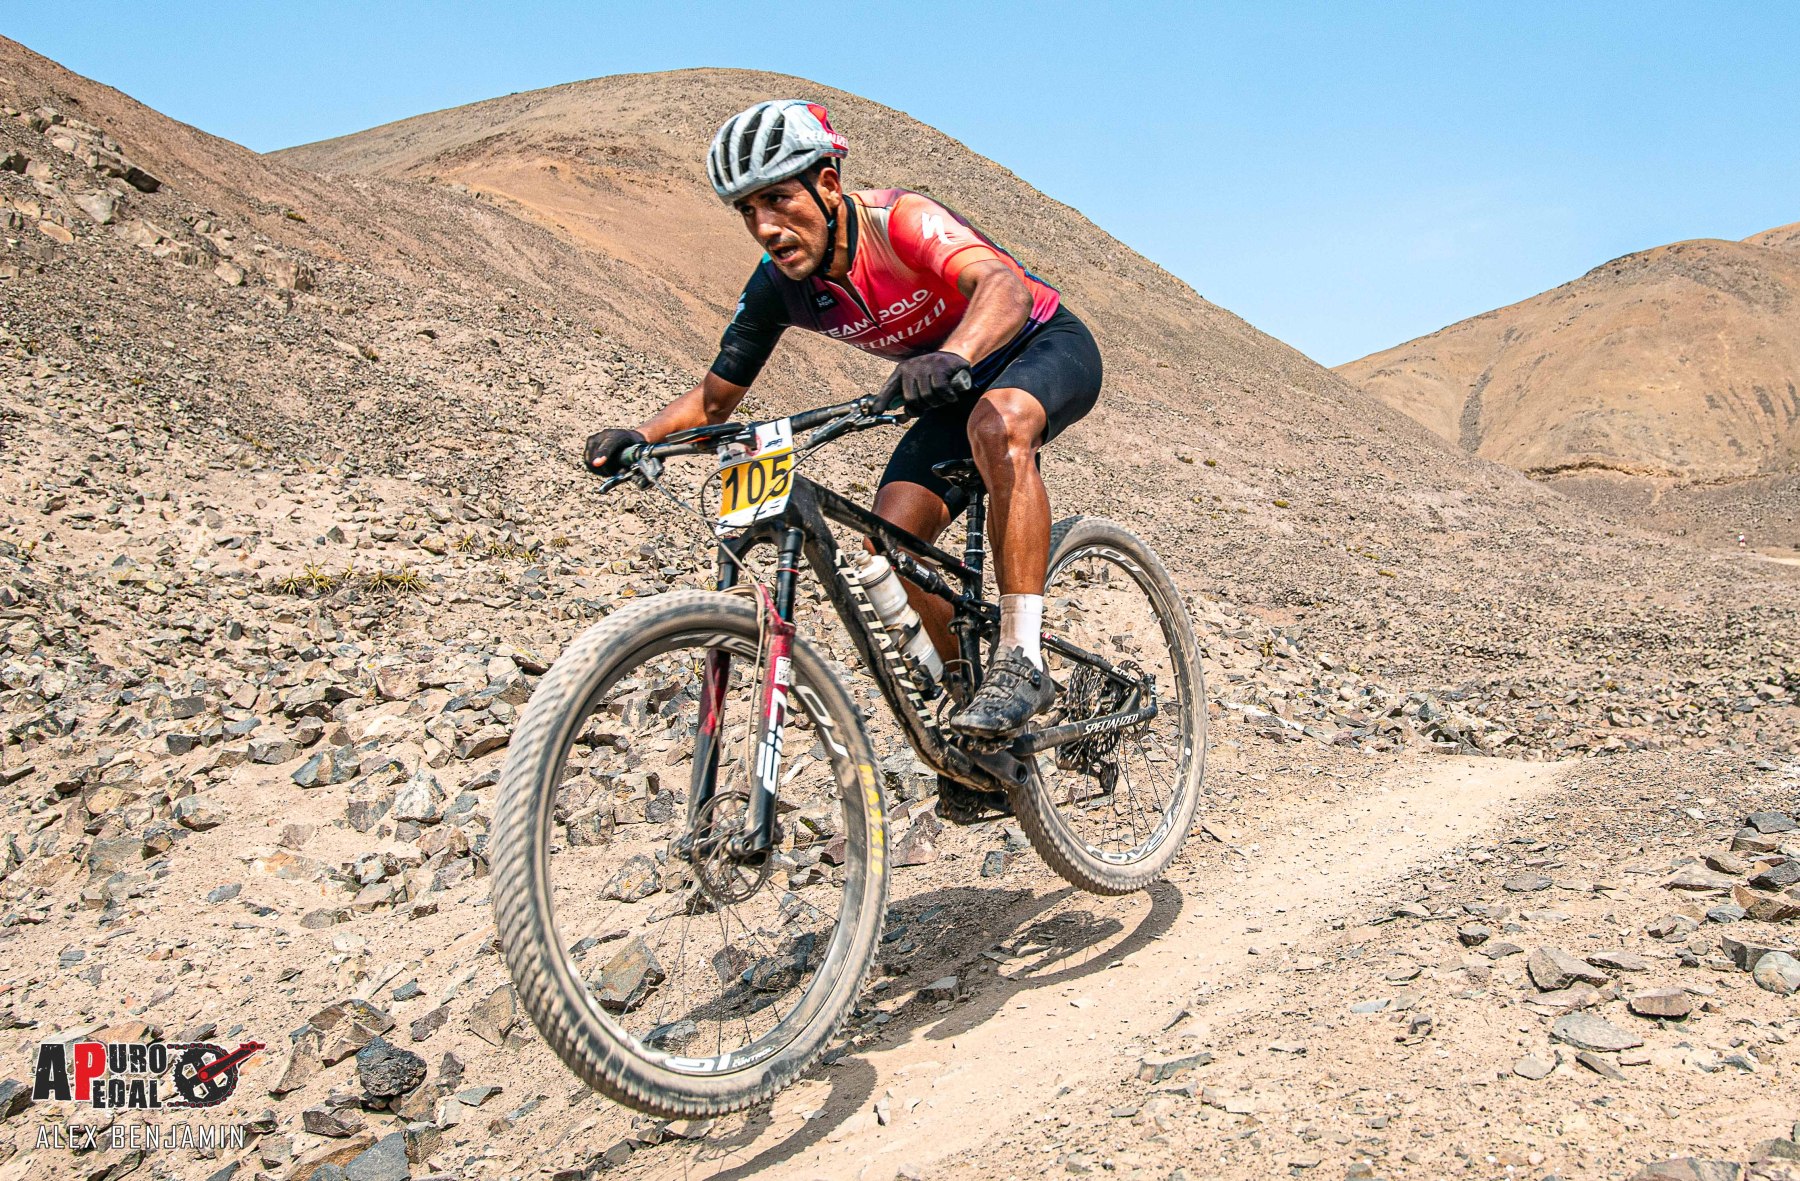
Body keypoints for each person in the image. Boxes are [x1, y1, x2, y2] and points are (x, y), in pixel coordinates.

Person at [585, 99, 1103, 743]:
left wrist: (955, 353)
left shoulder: (899, 220)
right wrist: (642, 436)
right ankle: (975, 716)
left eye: (777, 199)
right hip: (946, 386)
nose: (765, 226)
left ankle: (1021, 658)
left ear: (828, 184)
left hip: (1039, 346)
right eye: (747, 210)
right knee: (888, 543)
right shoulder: (778, 286)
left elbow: (1004, 287)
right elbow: (714, 402)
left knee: (998, 425)